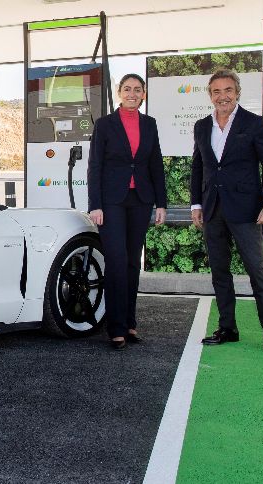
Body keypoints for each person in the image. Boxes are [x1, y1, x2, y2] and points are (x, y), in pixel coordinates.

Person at [190, 68, 263, 353]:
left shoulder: (255, 124)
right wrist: (196, 204)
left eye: (228, 90)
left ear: (237, 92)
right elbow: (199, 167)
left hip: (247, 211)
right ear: (210, 95)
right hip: (212, 210)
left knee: (257, 272)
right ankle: (228, 327)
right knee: (220, 272)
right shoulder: (202, 126)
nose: (223, 96)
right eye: (216, 91)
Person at [88, 73, 167, 350]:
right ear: (119, 93)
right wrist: (95, 204)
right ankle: (116, 327)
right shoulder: (105, 125)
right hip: (111, 201)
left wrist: (161, 203)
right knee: (117, 261)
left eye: (137, 89)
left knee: (133, 262)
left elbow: (155, 164)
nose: (132, 93)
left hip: (141, 199)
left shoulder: (150, 124)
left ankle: (130, 324)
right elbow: (95, 165)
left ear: (143, 93)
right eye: (127, 89)